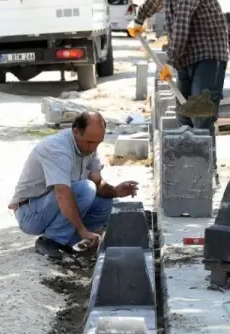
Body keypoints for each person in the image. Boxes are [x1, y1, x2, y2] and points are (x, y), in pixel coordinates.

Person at [128, 0, 230, 148]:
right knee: (184, 115)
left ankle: (208, 173)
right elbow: (153, 2)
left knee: (201, 115)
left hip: (208, 55)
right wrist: (138, 20)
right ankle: (189, 170)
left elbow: (181, 24)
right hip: (187, 56)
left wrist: (170, 62)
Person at [9, 111, 140, 260]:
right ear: (76, 132)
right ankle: (50, 241)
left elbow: (98, 183)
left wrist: (116, 191)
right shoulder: (57, 149)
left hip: (52, 206)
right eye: (90, 142)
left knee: (106, 204)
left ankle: (67, 242)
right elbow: (62, 194)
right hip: (30, 213)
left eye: (98, 142)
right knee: (86, 189)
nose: (92, 148)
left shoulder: (89, 145)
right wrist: (82, 230)